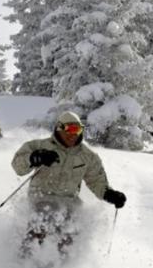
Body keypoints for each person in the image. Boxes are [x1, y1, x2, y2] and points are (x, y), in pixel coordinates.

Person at [11, 111, 126, 259]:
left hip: (68, 201)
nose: (74, 134)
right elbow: (17, 166)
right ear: (59, 128)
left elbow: (96, 180)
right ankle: (24, 261)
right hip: (41, 197)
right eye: (70, 129)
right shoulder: (40, 146)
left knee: (71, 232)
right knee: (43, 220)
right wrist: (34, 158)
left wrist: (109, 194)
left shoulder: (87, 156)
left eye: (78, 130)